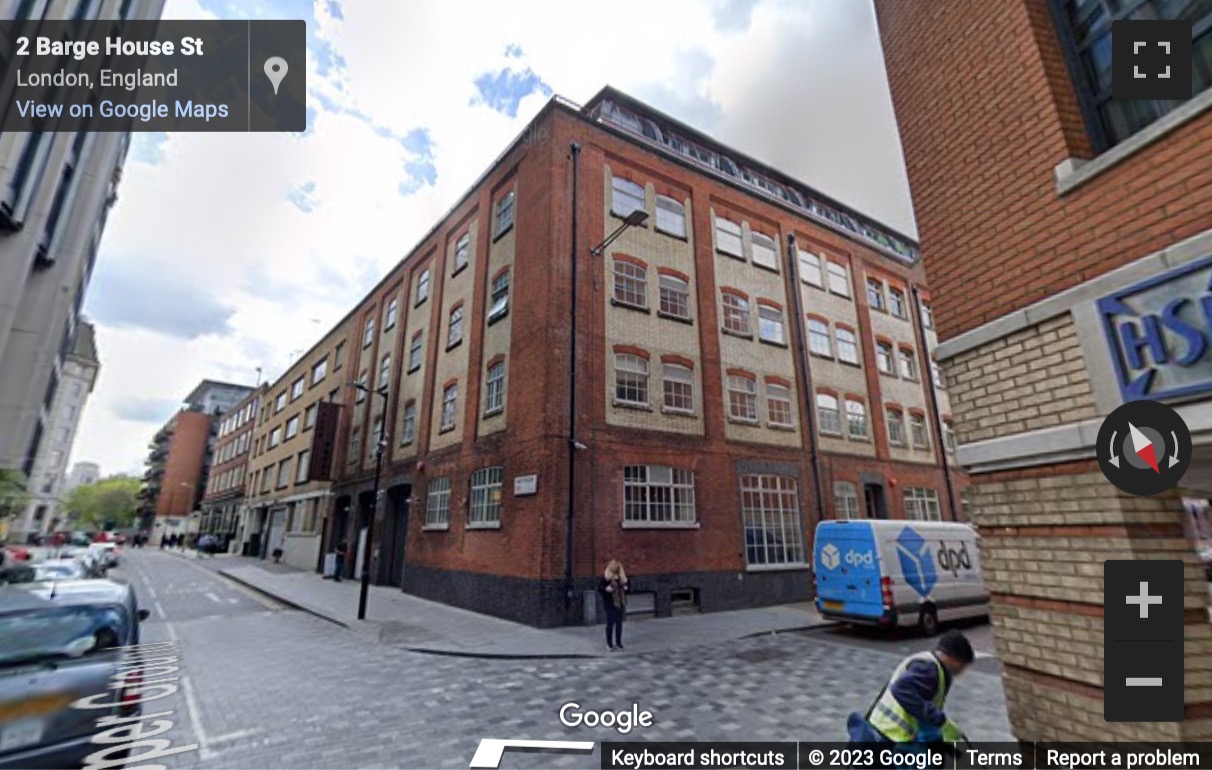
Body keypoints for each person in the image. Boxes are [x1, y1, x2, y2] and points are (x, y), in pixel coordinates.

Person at [849, 630, 973, 749]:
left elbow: (922, 707)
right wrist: (940, 721)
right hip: (891, 735)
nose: (961, 671)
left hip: (885, 730)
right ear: (953, 658)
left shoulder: (928, 661)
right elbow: (901, 689)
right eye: (962, 665)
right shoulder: (929, 669)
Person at [598, 559, 629, 651]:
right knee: (610, 623)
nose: (616, 570)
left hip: (620, 602)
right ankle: (609, 644)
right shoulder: (606, 577)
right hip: (610, 603)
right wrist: (606, 589)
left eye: (617, 568)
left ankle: (618, 643)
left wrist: (627, 588)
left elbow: (628, 586)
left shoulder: (622, 577)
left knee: (619, 624)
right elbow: (600, 588)